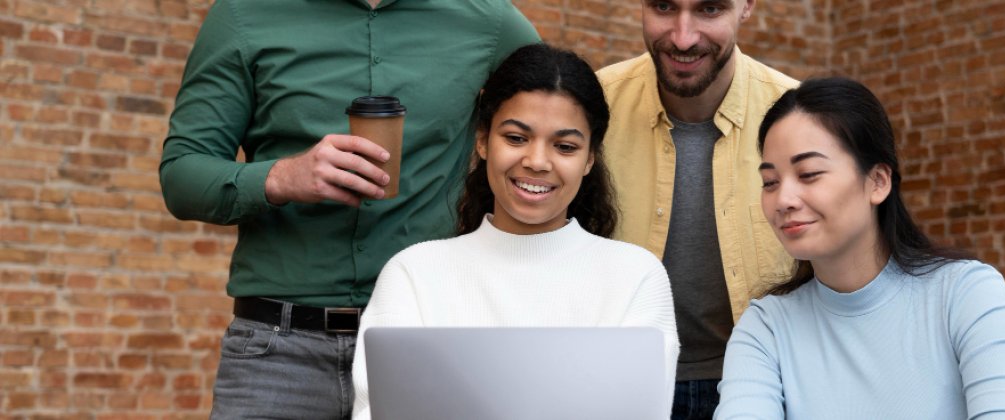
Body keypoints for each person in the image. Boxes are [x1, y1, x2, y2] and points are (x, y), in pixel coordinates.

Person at [158, 0, 539, 417]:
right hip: (277, 349)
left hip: (423, 341)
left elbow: (558, 122)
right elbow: (182, 176)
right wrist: (283, 178)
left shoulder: (488, 20)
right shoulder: (243, 14)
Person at [351, 43, 681, 419]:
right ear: (482, 141)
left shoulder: (635, 277)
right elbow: (376, 412)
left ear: (590, 158)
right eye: (516, 138)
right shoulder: (413, 273)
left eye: (565, 146)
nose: (537, 161)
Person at [714, 77, 1005, 419]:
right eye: (770, 182)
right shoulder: (765, 328)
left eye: (809, 173)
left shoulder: (967, 296)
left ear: (878, 182)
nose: (783, 200)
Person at [595, 1, 797, 417]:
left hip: (764, 386)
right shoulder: (593, 108)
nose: (683, 37)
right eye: (664, 6)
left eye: (709, 9)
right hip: (613, 384)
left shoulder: (798, 116)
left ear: (746, 7)